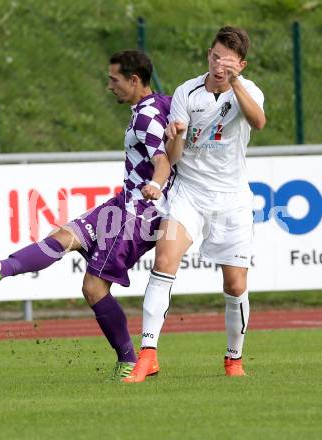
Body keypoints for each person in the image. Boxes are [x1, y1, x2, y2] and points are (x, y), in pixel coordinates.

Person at [0, 50, 174, 381]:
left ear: (134, 80)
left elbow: (163, 161)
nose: (108, 86)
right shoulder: (162, 104)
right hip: (124, 203)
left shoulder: (145, 117)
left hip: (138, 214)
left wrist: (156, 186)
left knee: (93, 287)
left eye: (113, 79)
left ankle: (130, 358)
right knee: (63, 237)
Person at [123, 26, 266, 383]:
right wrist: (178, 136)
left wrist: (235, 84)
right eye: (216, 57)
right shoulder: (186, 92)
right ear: (208, 54)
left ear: (241, 66)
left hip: (231, 199)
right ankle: (148, 355)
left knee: (235, 286)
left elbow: (259, 122)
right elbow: (174, 156)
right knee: (164, 260)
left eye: (229, 63)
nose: (219, 66)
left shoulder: (248, 92)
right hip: (189, 193)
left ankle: (234, 359)